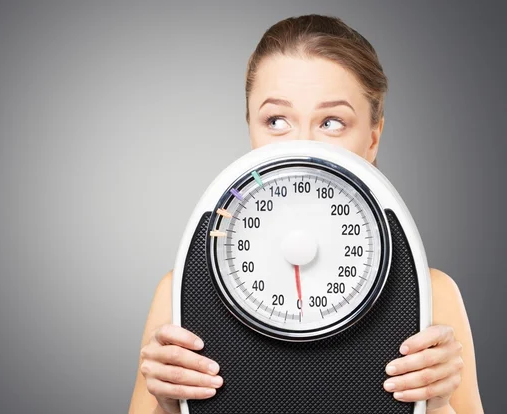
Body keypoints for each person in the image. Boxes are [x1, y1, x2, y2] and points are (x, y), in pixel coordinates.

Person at [128, 14, 484, 414]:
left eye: (332, 122)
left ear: (372, 138)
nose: (301, 147)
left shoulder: (432, 295)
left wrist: (436, 406)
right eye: (276, 121)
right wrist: (168, 404)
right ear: (251, 131)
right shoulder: (179, 293)